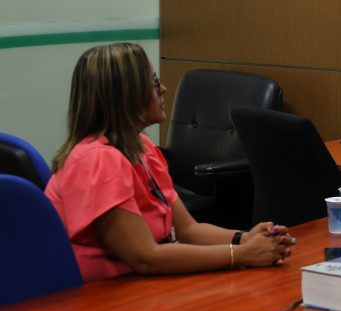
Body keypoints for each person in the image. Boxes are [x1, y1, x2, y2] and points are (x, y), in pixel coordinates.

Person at [45, 42, 294, 282]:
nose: (162, 88)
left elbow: (188, 230)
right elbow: (145, 258)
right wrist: (242, 254)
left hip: (139, 288)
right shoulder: (97, 160)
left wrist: (244, 239)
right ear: (126, 95)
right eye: (153, 83)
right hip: (99, 301)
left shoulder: (141, 147)